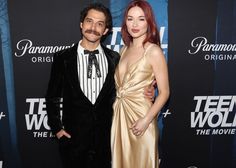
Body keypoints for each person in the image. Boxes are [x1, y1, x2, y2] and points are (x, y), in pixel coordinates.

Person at [45, 2, 154, 168]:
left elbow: (127, 87)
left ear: (105, 31)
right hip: (73, 142)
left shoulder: (115, 59)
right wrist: (57, 129)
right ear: (81, 24)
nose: (93, 27)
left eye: (100, 24)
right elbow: (52, 96)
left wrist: (148, 90)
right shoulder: (63, 58)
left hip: (106, 142)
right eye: (89, 21)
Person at [110, 1, 170, 168]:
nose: (134, 24)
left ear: (148, 22)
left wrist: (146, 120)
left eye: (141, 19)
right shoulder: (123, 50)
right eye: (130, 19)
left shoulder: (154, 51)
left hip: (142, 118)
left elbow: (164, 92)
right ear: (125, 22)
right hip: (120, 116)